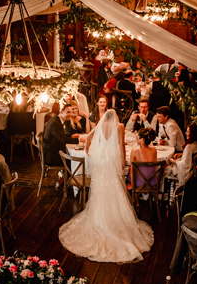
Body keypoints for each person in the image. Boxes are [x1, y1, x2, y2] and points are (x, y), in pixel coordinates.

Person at [59, 110, 154, 263]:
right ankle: (116, 223)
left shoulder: (100, 126)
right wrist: (122, 165)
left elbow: (88, 139)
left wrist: (89, 154)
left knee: (100, 192)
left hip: (101, 164)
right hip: (112, 163)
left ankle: (100, 221)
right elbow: (121, 148)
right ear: (115, 117)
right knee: (115, 191)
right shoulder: (120, 127)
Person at [129, 127, 160, 192]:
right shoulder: (154, 150)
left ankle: (136, 200)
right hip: (153, 182)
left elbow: (132, 172)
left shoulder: (134, 152)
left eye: (137, 136)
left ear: (142, 140)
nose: (136, 138)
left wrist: (133, 188)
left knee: (129, 173)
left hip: (140, 183)